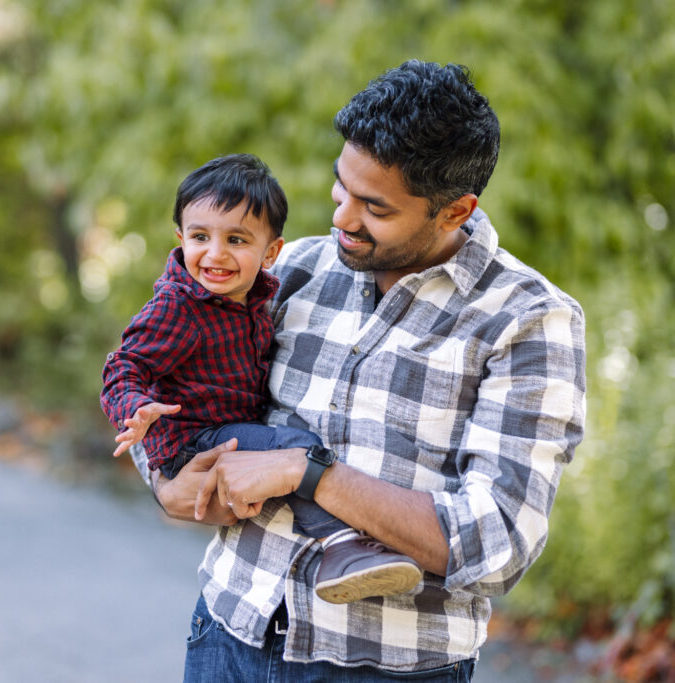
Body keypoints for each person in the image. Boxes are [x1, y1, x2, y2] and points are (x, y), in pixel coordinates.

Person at [132, 60, 586, 681]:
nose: (343, 217)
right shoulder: (292, 271)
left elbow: (498, 543)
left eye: (374, 207)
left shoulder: (527, 319)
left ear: (456, 211)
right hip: (228, 634)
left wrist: (308, 472)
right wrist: (163, 479)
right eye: (341, 188)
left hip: (386, 666)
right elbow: (163, 375)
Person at [101, 153, 422, 606]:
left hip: (224, 428)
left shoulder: (257, 295)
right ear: (181, 239)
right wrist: (135, 410)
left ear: (271, 252)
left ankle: (343, 546)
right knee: (296, 449)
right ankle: (343, 548)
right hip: (197, 439)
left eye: (236, 239)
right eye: (199, 237)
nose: (215, 254)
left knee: (287, 453)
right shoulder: (179, 306)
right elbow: (125, 366)